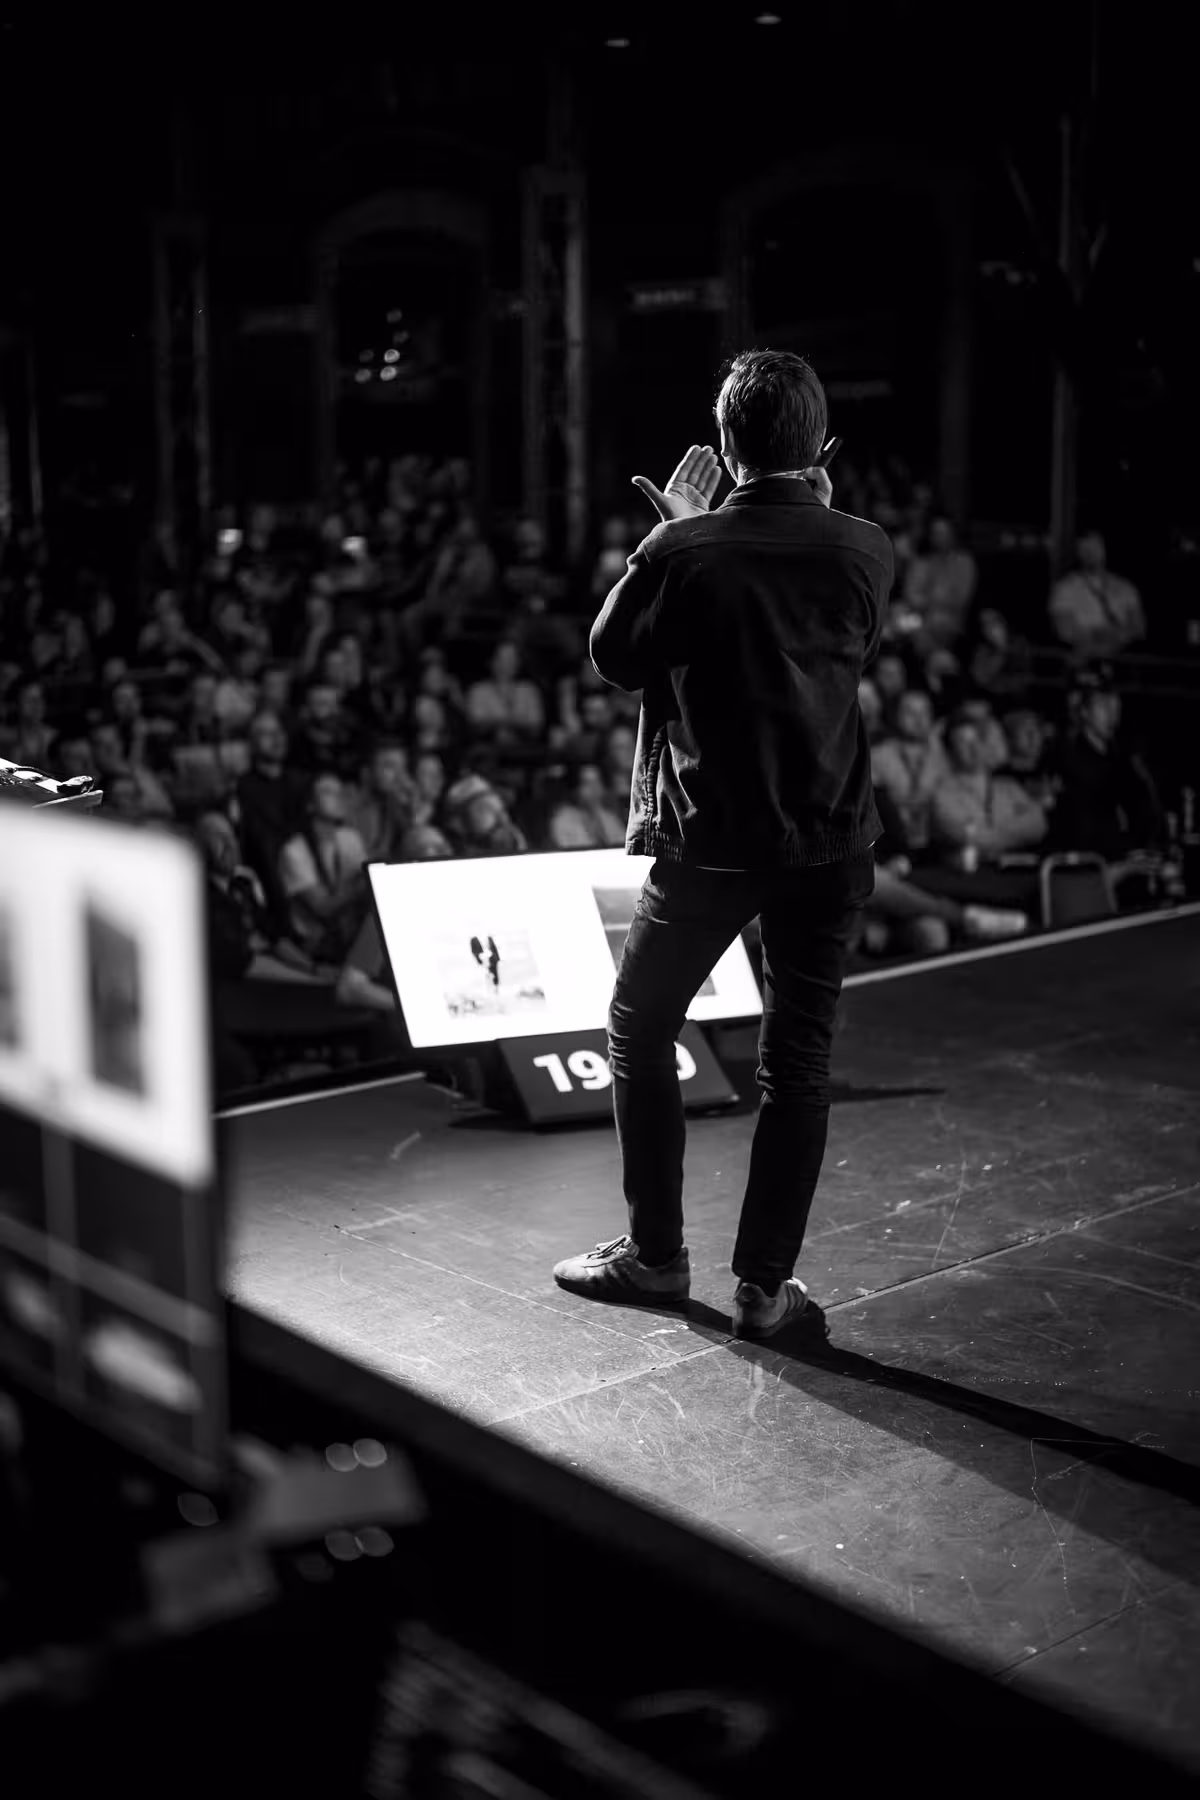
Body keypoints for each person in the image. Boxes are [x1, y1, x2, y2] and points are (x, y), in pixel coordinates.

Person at [552, 348, 890, 1341]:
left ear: (727, 443)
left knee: (639, 1023)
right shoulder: (867, 547)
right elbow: (842, 641)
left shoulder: (687, 549)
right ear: (817, 447)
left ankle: (657, 1260)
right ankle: (763, 1288)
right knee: (800, 1061)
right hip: (829, 837)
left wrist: (671, 536)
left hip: (714, 843)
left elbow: (613, 656)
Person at [928, 705, 1049, 864]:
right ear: (950, 752)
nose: (973, 747)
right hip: (968, 878)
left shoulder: (1009, 787)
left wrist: (987, 831)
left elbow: (1038, 826)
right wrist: (1016, 833)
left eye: (977, 739)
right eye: (962, 742)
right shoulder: (942, 793)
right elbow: (968, 837)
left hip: (1013, 872)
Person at [277, 772, 368, 964]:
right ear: (310, 804)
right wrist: (364, 880)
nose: (339, 796)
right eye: (328, 792)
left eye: (340, 791)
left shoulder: (350, 838)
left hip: (351, 940)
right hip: (316, 949)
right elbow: (323, 907)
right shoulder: (294, 850)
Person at [1048, 529, 1146, 664]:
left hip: (1122, 658)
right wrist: (1097, 637)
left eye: (1094, 547)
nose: (1090, 553)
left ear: (1104, 549)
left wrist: (1114, 638)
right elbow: (1065, 631)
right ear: (1078, 553)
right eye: (1085, 549)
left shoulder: (1126, 588)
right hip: (1083, 658)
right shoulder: (1065, 589)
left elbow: (1138, 629)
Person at [902, 515, 977, 654]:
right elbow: (910, 595)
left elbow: (960, 599)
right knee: (899, 622)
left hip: (949, 621)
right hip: (919, 618)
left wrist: (928, 599)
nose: (939, 537)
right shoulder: (921, 562)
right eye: (935, 533)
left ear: (953, 535)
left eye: (943, 533)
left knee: (932, 624)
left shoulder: (964, 562)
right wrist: (935, 598)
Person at [546, 761, 627, 849]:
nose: (594, 788)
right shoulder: (562, 820)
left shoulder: (610, 818)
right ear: (575, 789)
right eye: (587, 783)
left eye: (598, 781)